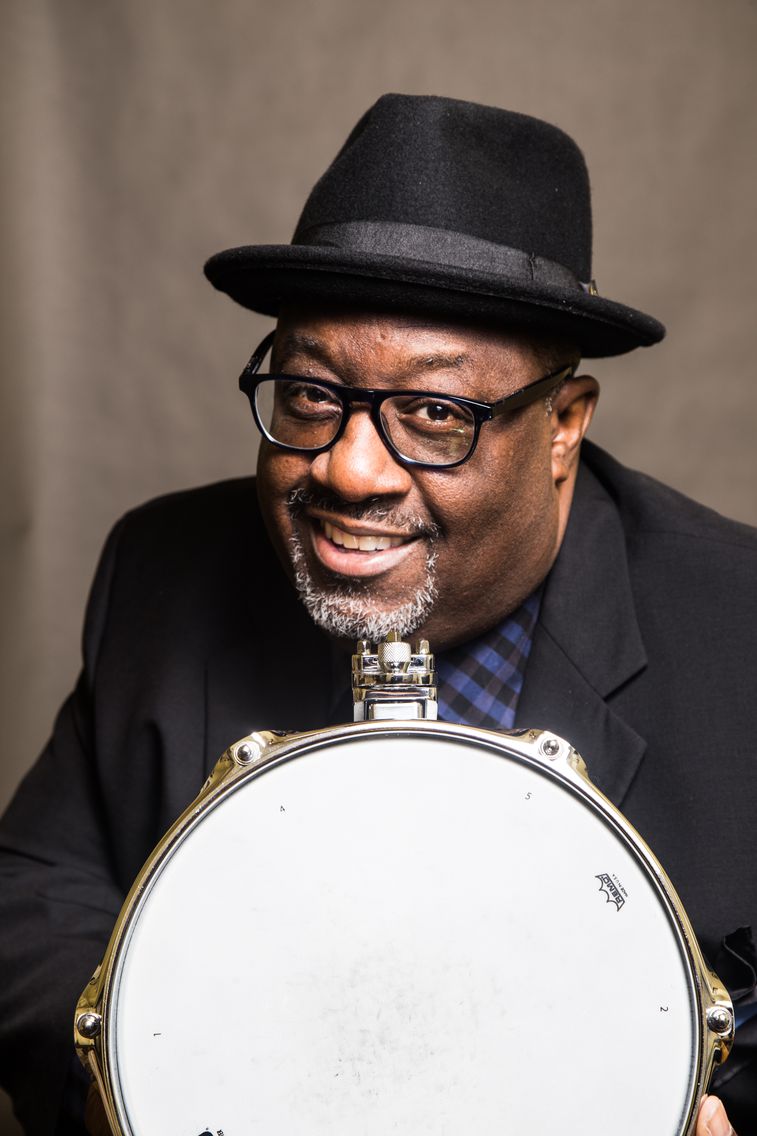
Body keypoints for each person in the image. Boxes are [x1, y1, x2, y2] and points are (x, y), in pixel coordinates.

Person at [0, 94, 754, 1135]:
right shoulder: (163, 569)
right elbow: (35, 884)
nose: (350, 468)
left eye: (435, 413)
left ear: (561, 428)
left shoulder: (740, 628)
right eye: (310, 395)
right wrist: (128, 1068)